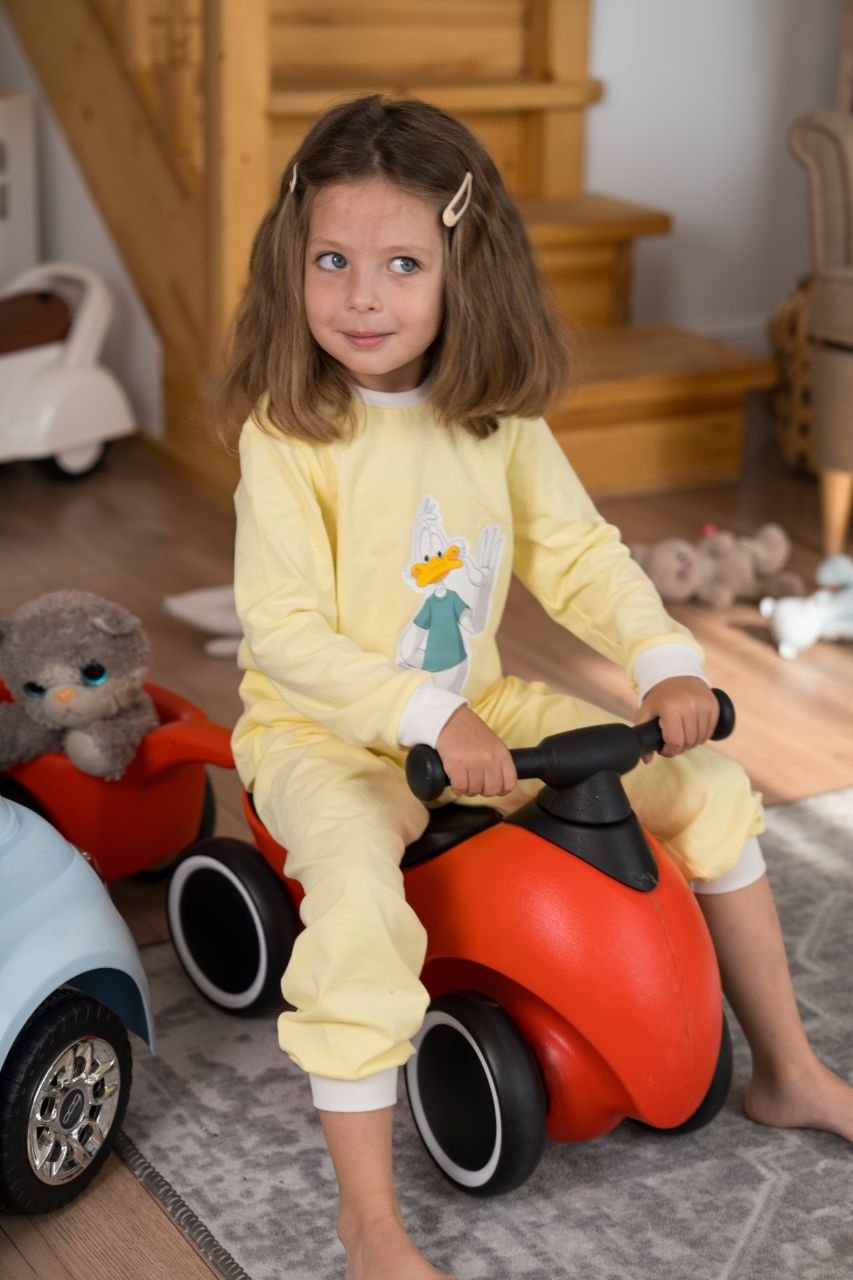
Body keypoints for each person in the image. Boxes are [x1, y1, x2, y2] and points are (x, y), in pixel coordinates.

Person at [217, 95, 853, 1280]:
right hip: (327, 734)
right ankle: (369, 1223)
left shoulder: (494, 418)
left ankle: (788, 1068)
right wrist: (425, 713)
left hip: (480, 703)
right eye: (332, 261)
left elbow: (578, 555)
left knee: (711, 789)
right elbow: (285, 633)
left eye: (402, 264)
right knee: (356, 898)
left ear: (465, 269)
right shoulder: (286, 432)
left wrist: (664, 661)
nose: (361, 296)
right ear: (291, 262)